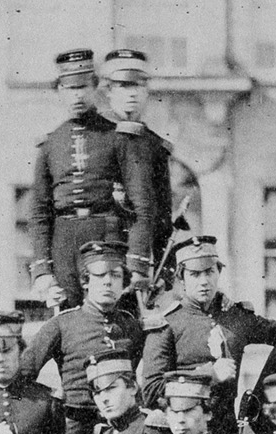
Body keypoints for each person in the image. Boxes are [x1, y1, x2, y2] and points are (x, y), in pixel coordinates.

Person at [28, 48, 155, 311]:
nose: (77, 95)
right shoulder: (50, 145)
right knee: (69, 320)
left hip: (108, 236)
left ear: (95, 86)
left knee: (115, 320)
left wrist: (137, 262)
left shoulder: (118, 137)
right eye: (69, 88)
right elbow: (39, 211)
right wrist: (41, 270)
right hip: (63, 242)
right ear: (60, 91)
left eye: (83, 87)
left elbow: (142, 205)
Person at [134, 236, 276, 434]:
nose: (204, 281)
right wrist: (208, 376)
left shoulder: (235, 316)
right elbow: (151, 390)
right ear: (181, 278)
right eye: (195, 274)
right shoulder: (167, 324)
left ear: (218, 272)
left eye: (210, 272)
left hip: (228, 433)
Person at [19, 239, 145, 434]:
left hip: (124, 429)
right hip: (75, 429)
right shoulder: (61, 324)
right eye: (99, 275)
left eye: (115, 275)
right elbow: (24, 374)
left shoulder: (131, 325)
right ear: (86, 281)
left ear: (124, 283)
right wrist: (50, 406)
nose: (107, 282)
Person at [99, 48, 173, 283]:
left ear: (147, 90)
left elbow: (162, 214)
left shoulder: (154, 145)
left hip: (137, 266)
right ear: (109, 90)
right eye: (123, 86)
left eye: (138, 85)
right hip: (97, 257)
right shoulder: (96, 136)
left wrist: (165, 270)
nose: (132, 94)